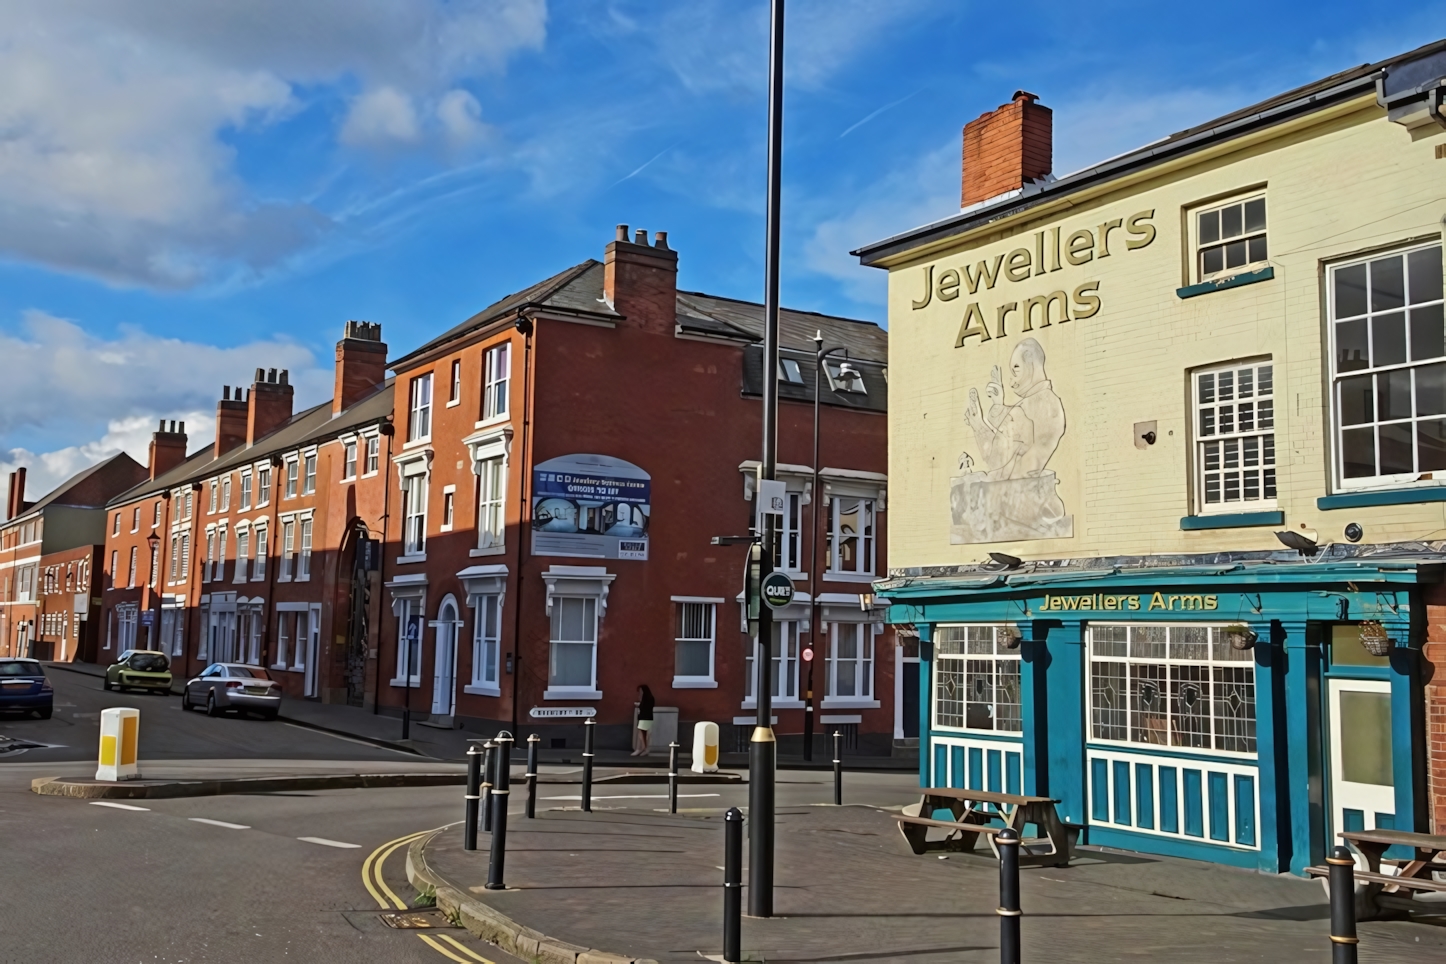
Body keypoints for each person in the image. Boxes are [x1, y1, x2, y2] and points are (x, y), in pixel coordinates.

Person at [632, 684, 655, 756]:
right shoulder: (649, 698)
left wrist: (640, 703)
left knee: (642, 734)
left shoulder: (647, 699)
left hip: (645, 718)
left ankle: (642, 749)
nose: (640, 693)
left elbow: (644, 708)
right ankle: (643, 749)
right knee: (643, 734)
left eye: (641, 691)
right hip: (646, 718)